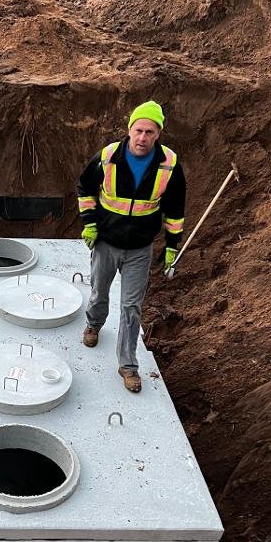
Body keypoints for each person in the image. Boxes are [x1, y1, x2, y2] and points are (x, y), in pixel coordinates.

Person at [76, 100, 185, 393]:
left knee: (131, 307)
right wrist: (89, 223)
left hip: (140, 248)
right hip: (106, 243)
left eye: (150, 132)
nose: (143, 137)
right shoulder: (108, 157)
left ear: (158, 133)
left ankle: (128, 366)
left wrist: (172, 245)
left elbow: (175, 209)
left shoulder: (169, 165)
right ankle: (94, 324)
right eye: (138, 130)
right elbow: (85, 188)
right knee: (99, 292)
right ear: (129, 130)